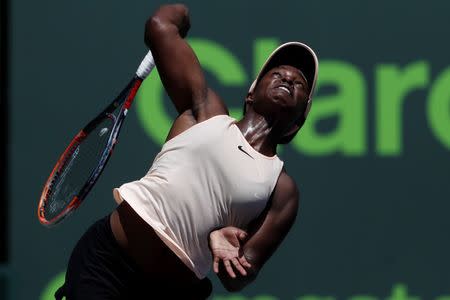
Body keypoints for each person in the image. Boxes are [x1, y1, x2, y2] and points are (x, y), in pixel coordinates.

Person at [55, 3, 318, 299]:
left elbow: (242, 274)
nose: (287, 79)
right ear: (250, 93)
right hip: (105, 266)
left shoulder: (282, 189)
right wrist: (182, 14)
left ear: (299, 123)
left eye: (299, 84)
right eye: (278, 73)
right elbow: (160, 25)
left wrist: (220, 245)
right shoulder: (205, 111)